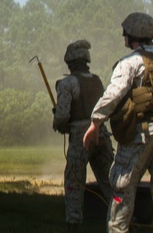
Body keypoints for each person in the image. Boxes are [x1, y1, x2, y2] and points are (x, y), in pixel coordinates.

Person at [83, 12, 153, 233]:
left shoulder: (130, 62)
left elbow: (113, 93)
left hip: (140, 133)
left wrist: (96, 121)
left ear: (131, 35)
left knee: (121, 187)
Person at [52, 39, 114, 232]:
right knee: (110, 180)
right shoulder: (97, 81)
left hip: (80, 136)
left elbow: (62, 115)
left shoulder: (67, 83)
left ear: (70, 62)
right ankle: (124, 219)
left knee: (74, 180)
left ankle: (73, 223)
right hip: (101, 133)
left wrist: (59, 124)